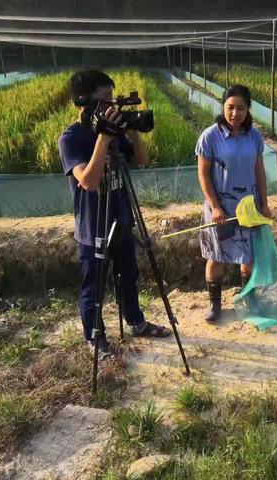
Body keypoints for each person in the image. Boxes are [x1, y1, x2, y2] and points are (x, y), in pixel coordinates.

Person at [58, 70, 171, 359]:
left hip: (121, 219)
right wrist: (103, 140)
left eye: (113, 99)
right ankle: (95, 338)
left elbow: (142, 161)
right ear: (84, 102)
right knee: (94, 287)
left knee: (128, 276)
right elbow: (88, 182)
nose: (111, 105)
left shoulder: (114, 131)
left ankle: (136, 322)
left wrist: (131, 130)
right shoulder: (72, 138)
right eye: (105, 99)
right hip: (93, 227)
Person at [196, 84, 271, 323]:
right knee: (216, 255)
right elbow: (203, 174)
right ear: (223, 107)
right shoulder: (210, 136)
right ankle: (215, 304)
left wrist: (264, 202)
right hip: (220, 207)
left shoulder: (254, 136)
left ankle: (248, 297)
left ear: (248, 110)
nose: (235, 114)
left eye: (240, 108)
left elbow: (259, 169)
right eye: (230, 107)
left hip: (248, 206)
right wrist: (215, 206)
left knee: (247, 255)